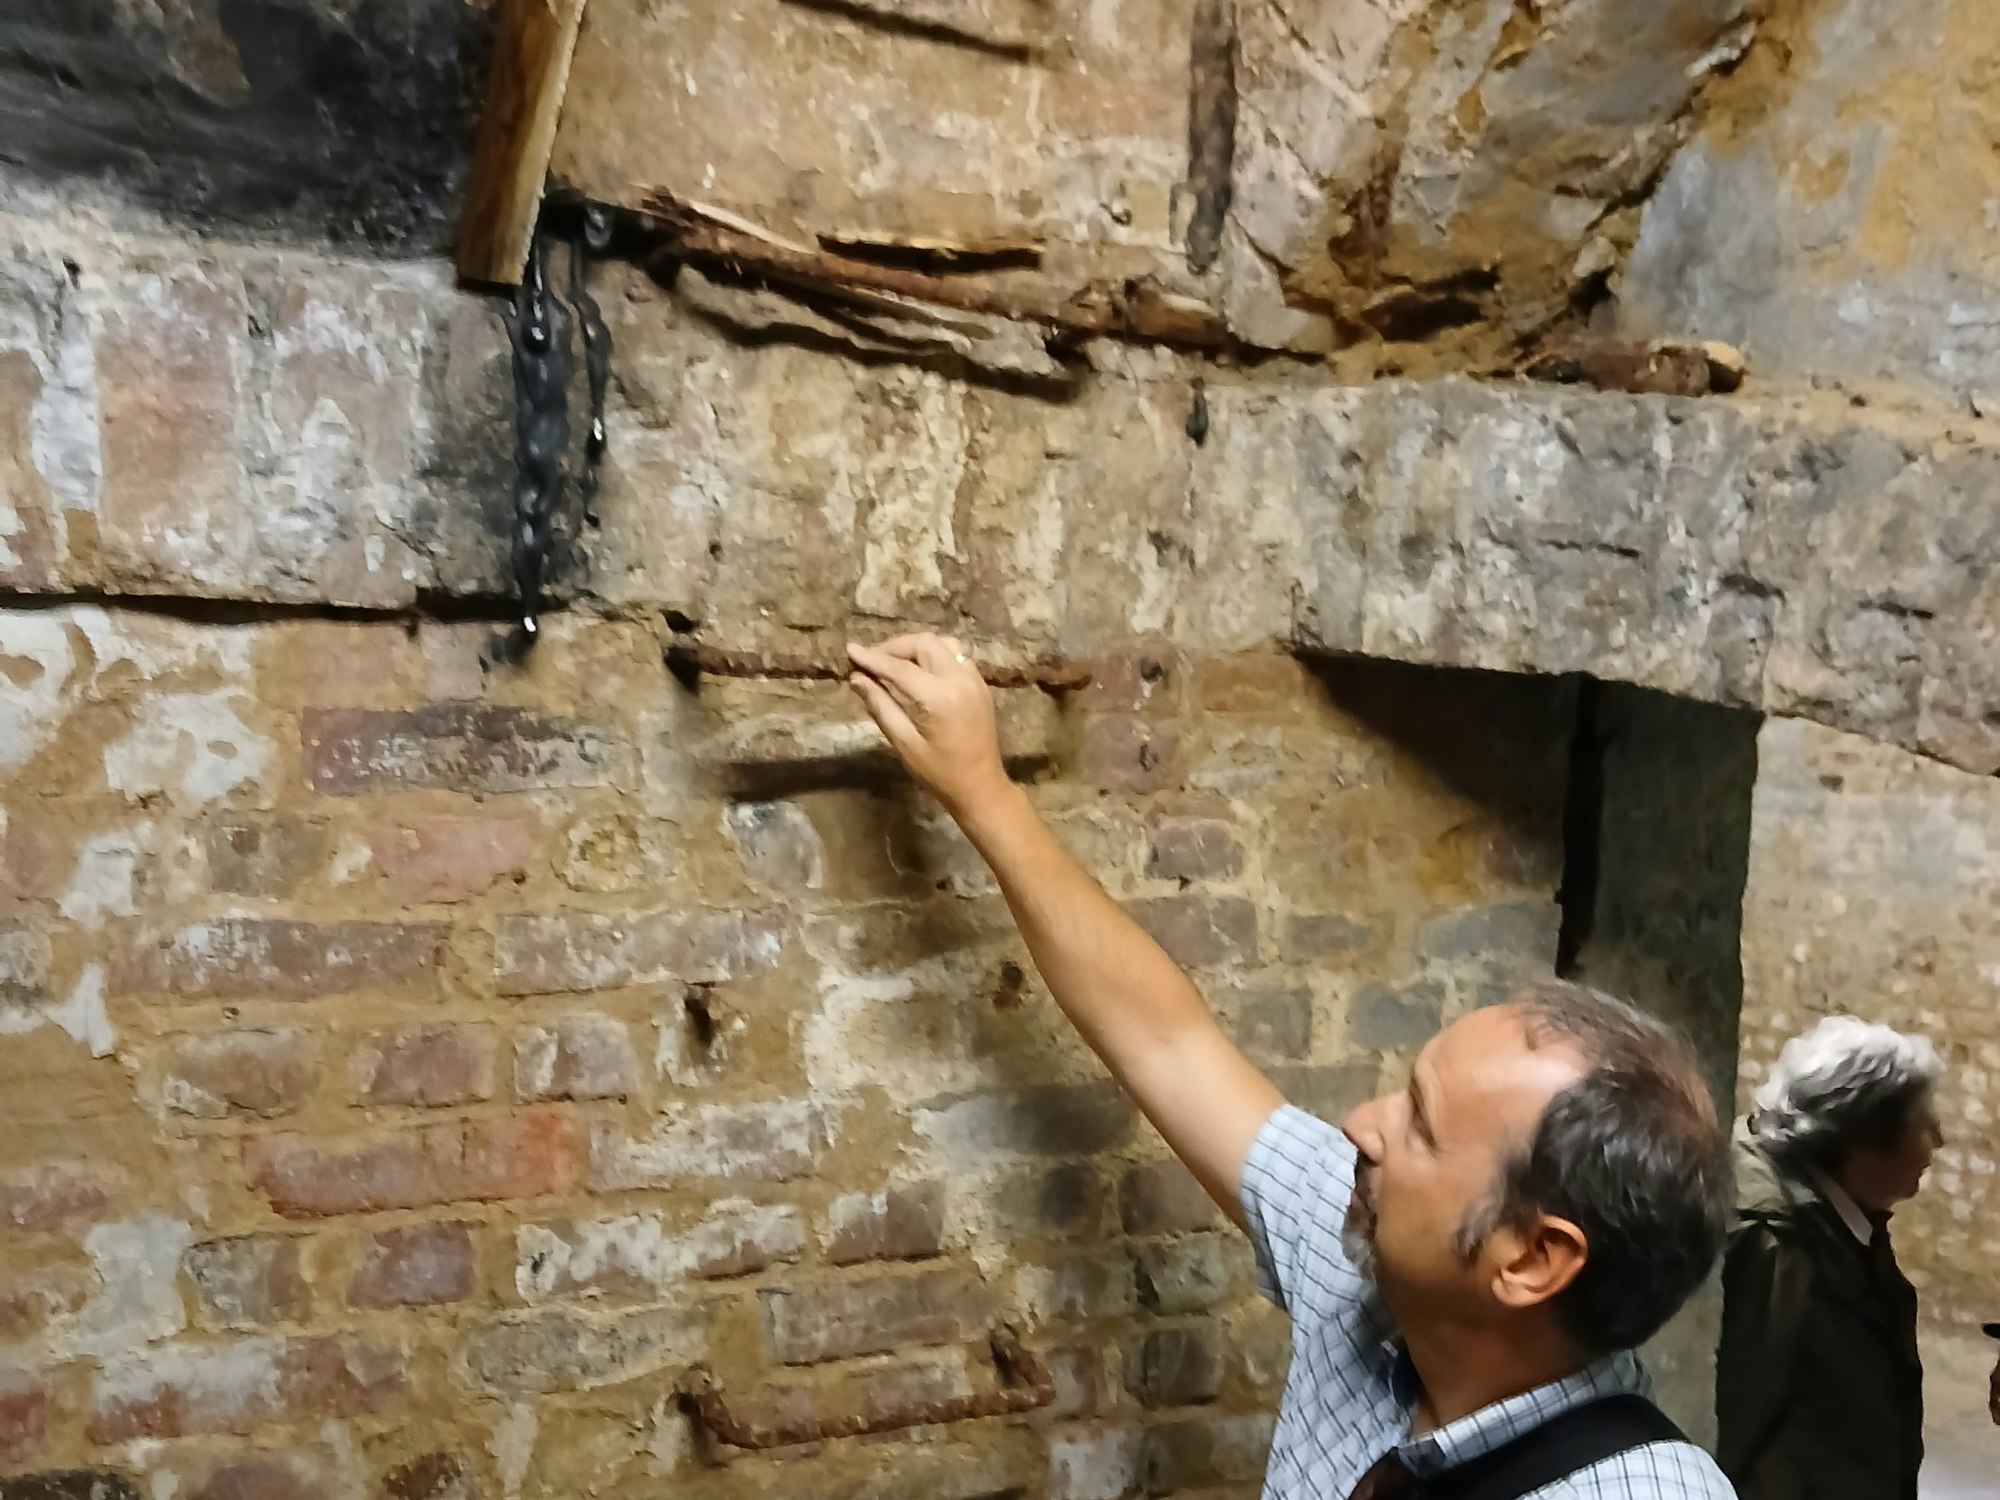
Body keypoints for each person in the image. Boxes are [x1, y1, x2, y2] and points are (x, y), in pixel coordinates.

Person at [847, 634, 1734, 1500]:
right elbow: (1168, 1043)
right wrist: (983, 794)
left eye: (1420, 1126)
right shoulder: (1375, 1276)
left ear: (1532, 1258)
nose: (1362, 1124)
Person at [1715, 1016, 1944, 1500]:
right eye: (1925, 1125)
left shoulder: (1845, 1216)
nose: (1937, 1143)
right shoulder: (1770, 1241)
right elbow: (1733, 1420)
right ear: (1865, 1139)